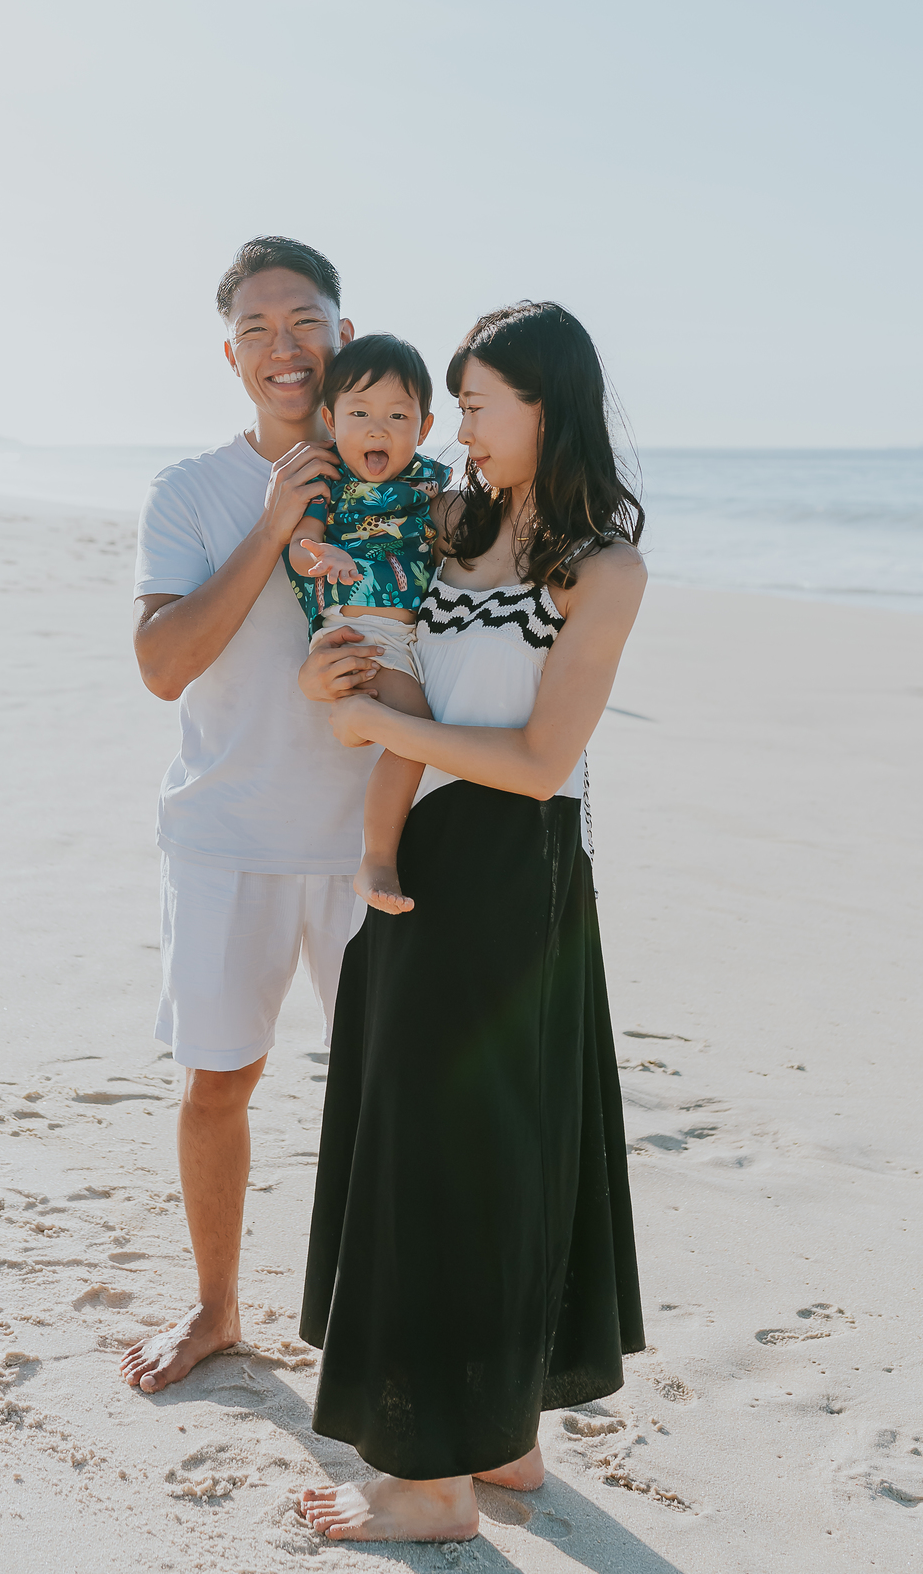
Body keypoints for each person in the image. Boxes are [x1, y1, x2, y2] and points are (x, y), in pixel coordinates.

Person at [296, 300, 649, 1542]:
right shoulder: (456, 525)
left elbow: (543, 761)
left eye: (482, 403)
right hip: (424, 858)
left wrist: (376, 725)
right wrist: (344, 681)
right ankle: (496, 1440)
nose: (462, 427)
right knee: (444, 1151)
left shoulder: (604, 569)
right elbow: (412, 668)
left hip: (515, 870)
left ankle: (434, 1486)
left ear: (549, 405)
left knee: (466, 1155)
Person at [120, 235, 386, 1395]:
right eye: (259, 331)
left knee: (389, 1097)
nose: (287, 348)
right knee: (219, 1082)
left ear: (342, 332)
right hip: (226, 837)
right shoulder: (189, 492)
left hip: (372, 842)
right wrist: (273, 524)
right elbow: (162, 665)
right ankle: (217, 1307)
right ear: (230, 356)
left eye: (306, 321)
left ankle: (388, 1320)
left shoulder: (401, 475)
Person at [283, 333, 452, 916]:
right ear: (330, 420)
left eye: (397, 416)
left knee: (412, 733)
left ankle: (357, 725)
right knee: (415, 733)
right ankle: (378, 857)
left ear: (424, 427)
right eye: (359, 414)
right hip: (355, 632)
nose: (377, 430)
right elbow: (300, 546)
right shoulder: (327, 482)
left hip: (406, 642)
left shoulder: (431, 486)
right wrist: (319, 556)